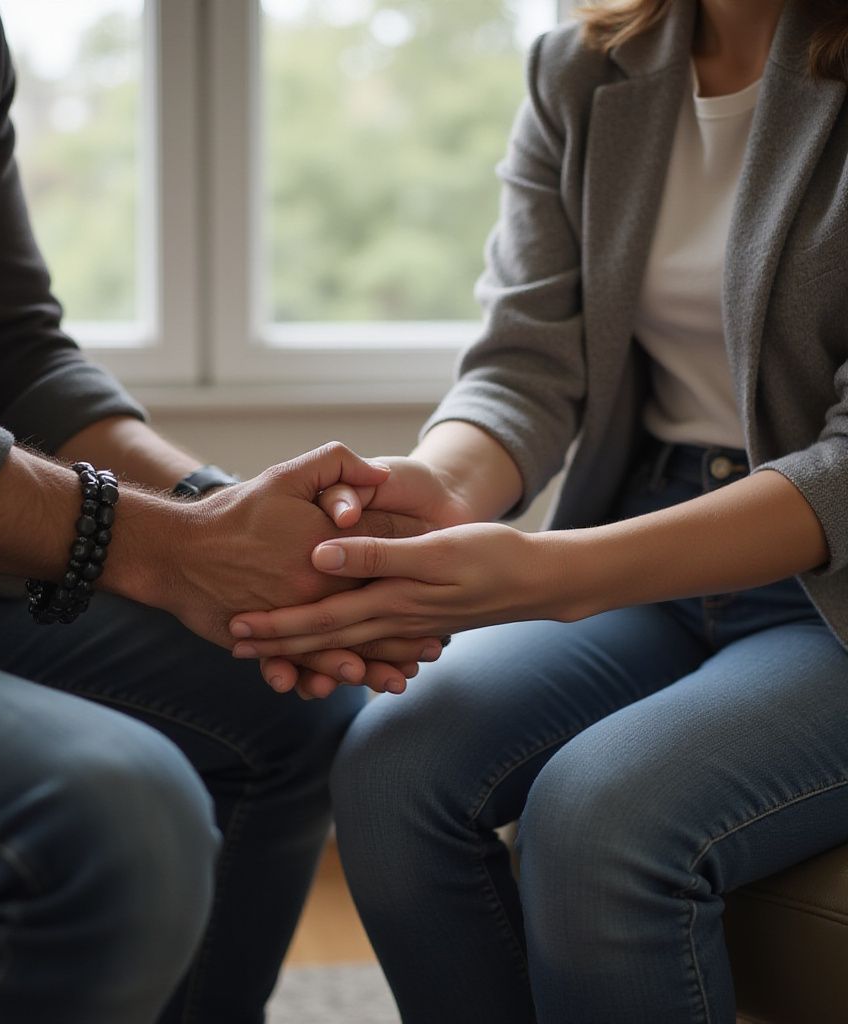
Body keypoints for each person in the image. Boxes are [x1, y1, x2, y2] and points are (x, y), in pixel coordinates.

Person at [227, 0, 848, 1020]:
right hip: (651, 520)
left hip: (823, 590)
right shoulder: (582, 71)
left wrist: (553, 575)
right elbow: (526, 363)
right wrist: (437, 487)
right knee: (389, 770)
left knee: (600, 817)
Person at [0, 2, 439, 1022]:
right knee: (124, 824)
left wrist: (226, 515)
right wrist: (169, 549)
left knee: (291, 696)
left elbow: (13, 346)